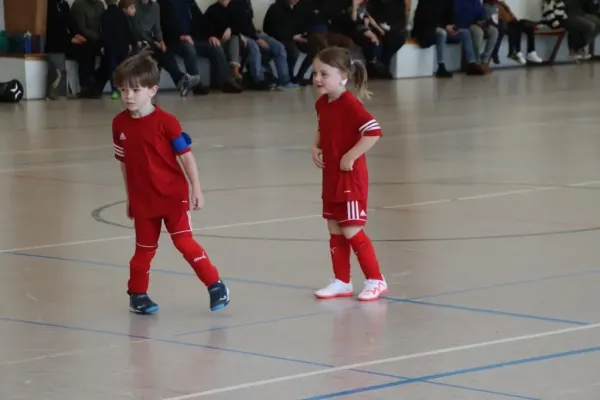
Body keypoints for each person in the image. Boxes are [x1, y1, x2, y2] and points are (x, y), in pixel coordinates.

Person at [111, 52, 230, 314]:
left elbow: (186, 159)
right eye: (122, 90)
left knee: (185, 243)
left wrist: (196, 189)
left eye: (135, 89)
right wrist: (130, 197)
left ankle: (216, 285)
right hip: (143, 200)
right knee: (143, 251)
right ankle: (138, 295)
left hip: (173, 197)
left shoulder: (167, 122)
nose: (128, 96)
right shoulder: (119, 124)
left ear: (153, 90)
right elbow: (124, 164)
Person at [311, 46, 387, 301]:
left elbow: (373, 131)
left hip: (349, 179)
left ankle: (376, 279)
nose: (317, 79)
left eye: (324, 73)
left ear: (343, 75)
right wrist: (315, 145)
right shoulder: (322, 103)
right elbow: (322, 128)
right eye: (315, 73)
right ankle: (342, 281)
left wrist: (352, 155)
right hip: (331, 176)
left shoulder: (350, 104)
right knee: (334, 227)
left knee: (351, 229)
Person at [100, 0, 135, 99]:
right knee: (124, 68)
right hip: (123, 45)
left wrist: (102, 45)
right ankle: (125, 89)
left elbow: (103, 32)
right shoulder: (122, 14)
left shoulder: (104, 15)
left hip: (110, 47)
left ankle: (114, 90)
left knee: (112, 69)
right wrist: (130, 42)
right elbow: (127, 30)